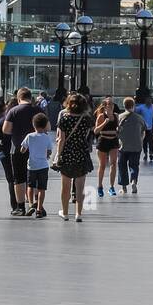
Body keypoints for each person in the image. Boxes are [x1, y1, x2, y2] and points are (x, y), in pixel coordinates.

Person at [54, 92, 95, 222]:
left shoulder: (64, 118)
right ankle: (78, 213)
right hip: (82, 153)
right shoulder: (86, 118)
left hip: (67, 154)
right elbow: (89, 134)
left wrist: (58, 155)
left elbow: (61, 139)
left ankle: (65, 213)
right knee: (80, 187)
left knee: (65, 187)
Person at [0, 87, 40, 215]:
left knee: (19, 178)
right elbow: (47, 127)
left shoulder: (13, 111)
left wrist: (17, 132)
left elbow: (5, 130)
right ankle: (36, 205)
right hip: (36, 149)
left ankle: (20, 207)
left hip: (17, 148)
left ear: (19, 98)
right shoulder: (38, 110)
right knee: (34, 177)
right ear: (30, 98)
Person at [20, 113, 54, 218]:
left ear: (33, 125)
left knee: (30, 186)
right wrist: (46, 155)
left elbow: (22, 149)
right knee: (41, 188)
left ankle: (30, 205)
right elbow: (49, 151)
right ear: (45, 126)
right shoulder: (47, 138)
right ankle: (39, 208)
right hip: (43, 165)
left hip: (32, 165)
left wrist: (24, 150)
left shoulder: (29, 136)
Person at [93, 96, 121, 197]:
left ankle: (111, 186)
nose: (110, 106)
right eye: (108, 104)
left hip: (113, 141)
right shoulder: (101, 116)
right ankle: (100, 186)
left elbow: (118, 128)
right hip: (103, 140)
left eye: (112, 104)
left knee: (114, 164)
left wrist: (118, 129)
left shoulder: (116, 116)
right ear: (105, 106)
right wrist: (105, 122)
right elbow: (96, 131)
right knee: (103, 165)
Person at [117, 96, 145, 194]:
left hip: (123, 146)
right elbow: (144, 130)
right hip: (136, 146)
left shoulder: (119, 117)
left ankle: (124, 187)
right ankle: (134, 181)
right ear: (133, 106)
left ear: (124, 106)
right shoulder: (139, 117)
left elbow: (117, 130)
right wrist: (141, 140)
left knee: (122, 166)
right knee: (134, 165)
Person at [135, 94, 153, 162]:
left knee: (151, 142)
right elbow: (134, 111)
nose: (149, 101)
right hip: (143, 127)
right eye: (147, 100)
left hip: (151, 127)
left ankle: (151, 153)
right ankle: (146, 153)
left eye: (150, 100)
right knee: (144, 142)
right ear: (145, 101)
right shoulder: (141, 107)